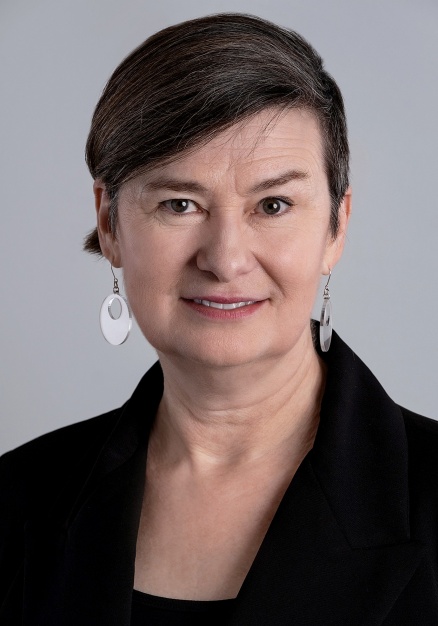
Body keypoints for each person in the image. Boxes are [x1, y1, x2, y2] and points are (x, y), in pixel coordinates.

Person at [1, 12, 438, 626]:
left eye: (273, 204)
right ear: (109, 223)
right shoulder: (14, 498)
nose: (226, 259)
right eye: (180, 204)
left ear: (336, 227)